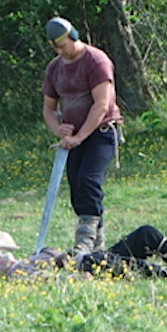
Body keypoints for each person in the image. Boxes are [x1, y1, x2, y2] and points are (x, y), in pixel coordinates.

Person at [42, 16, 122, 254]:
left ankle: (85, 241)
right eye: (55, 48)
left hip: (102, 131)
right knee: (77, 187)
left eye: (62, 45)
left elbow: (101, 105)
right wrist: (58, 128)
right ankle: (97, 248)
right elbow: (48, 108)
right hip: (74, 137)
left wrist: (80, 137)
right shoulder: (54, 68)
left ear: (72, 36)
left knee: (88, 180)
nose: (60, 51)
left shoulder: (96, 61)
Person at [0, 225, 167, 283]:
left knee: (146, 234)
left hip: (91, 257)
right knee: (135, 266)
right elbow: (44, 278)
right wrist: (74, 278)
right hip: (87, 267)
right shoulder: (17, 271)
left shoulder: (29, 257)